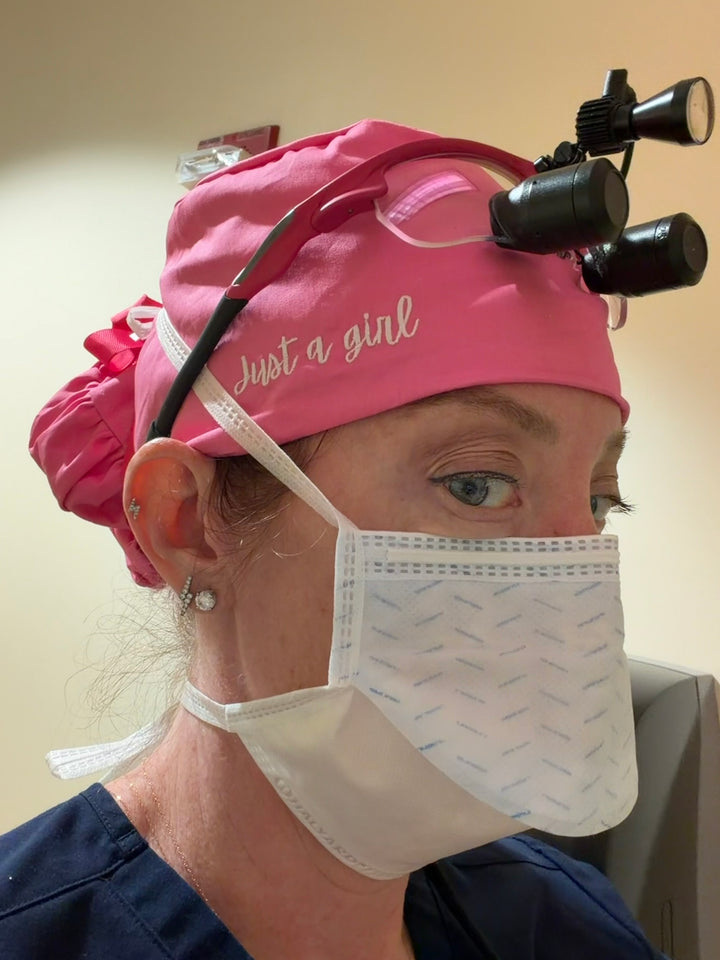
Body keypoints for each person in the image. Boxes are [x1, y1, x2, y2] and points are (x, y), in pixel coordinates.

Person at [0, 118, 667, 959]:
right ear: (186, 519)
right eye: (477, 484)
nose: (571, 578)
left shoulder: (565, 926)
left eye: (602, 503)